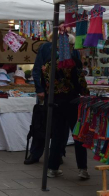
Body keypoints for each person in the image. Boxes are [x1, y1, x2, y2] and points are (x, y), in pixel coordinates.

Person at [27, 30, 89, 179]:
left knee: (57, 135)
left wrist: (44, 91)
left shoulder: (49, 63)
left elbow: (42, 76)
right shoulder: (73, 58)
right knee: (78, 135)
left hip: (54, 100)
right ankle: (82, 169)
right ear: (70, 45)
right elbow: (80, 80)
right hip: (72, 100)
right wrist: (86, 93)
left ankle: (53, 168)